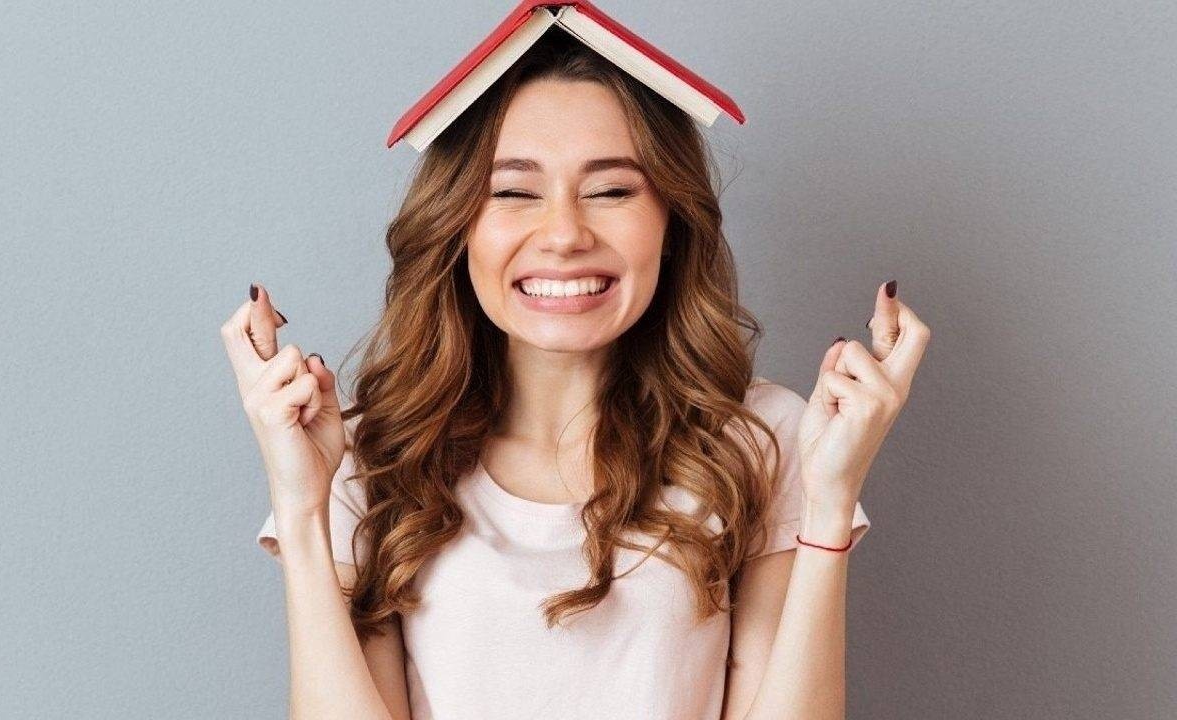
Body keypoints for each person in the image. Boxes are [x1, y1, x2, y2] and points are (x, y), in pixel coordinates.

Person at [220, 31, 929, 720]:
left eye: (612, 191)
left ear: (671, 223)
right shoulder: (368, 452)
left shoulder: (764, 436)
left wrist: (831, 501)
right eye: (514, 193)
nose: (563, 234)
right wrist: (301, 507)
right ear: (456, 226)